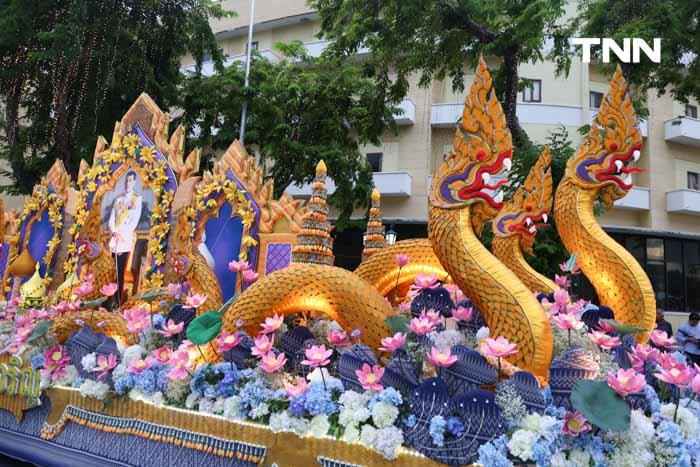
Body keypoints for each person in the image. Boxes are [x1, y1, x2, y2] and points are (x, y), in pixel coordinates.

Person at [108, 170, 142, 303]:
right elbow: (112, 219)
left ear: (134, 182)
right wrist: (114, 231)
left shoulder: (136, 199)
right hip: (114, 239)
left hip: (125, 241)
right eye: (126, 180)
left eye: (130, 180)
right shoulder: (118, 200)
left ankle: (119, 302)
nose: (128, 183)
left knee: (121, 272)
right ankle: (109, 300)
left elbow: (134, 220)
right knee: (112, 271)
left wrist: (122, 233)